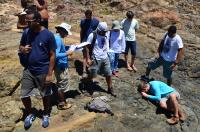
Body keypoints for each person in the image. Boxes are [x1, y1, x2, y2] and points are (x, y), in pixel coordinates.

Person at [19, 11, 56, 128]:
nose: (27, 23)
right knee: (24, 94)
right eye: (26, 21)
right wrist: (23, 49)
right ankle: (30, 113)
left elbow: (52, 55)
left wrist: (50, 74)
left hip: (43, 70)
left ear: (38, 21)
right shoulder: (26, 32)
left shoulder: (48, 35)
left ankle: (45, 113)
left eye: (30, 21)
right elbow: (20, 46)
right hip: (29, 69)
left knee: (45, 94)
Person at [85, 22, 116, 97]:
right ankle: (87, 85)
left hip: (105, 57)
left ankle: (110, 88)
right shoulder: (92, 35)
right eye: (104, 31)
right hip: (95, 58)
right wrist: (88, 58)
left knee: (108, 74)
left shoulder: (106, 34)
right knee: (93, 74)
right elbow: (86, 47)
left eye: (106, 31)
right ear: (99, 30)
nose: (105, 33)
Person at [54, 23, 73, 110]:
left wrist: (69, 47)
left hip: (59, 65)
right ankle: (62, 103)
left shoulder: (57, 38)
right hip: (60, 65)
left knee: (60, 83)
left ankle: (60, 100)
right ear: (62, 30)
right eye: (66, 32)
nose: (67, 34)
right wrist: (67, 53)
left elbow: (59, 49)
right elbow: (55, 55)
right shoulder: (58, 39)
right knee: (61, 85)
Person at [80, 9, 99, 77]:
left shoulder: (96, 21)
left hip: (93, 41)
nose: (87, 17)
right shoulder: (83, 21)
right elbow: (81, 31)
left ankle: (92, 71)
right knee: (85, 56)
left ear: (91, 15)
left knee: (92, 56)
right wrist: (81, 41)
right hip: (85, 41)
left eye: (89, 16)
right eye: (86, 16)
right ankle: (84, 71)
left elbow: (98, 31)